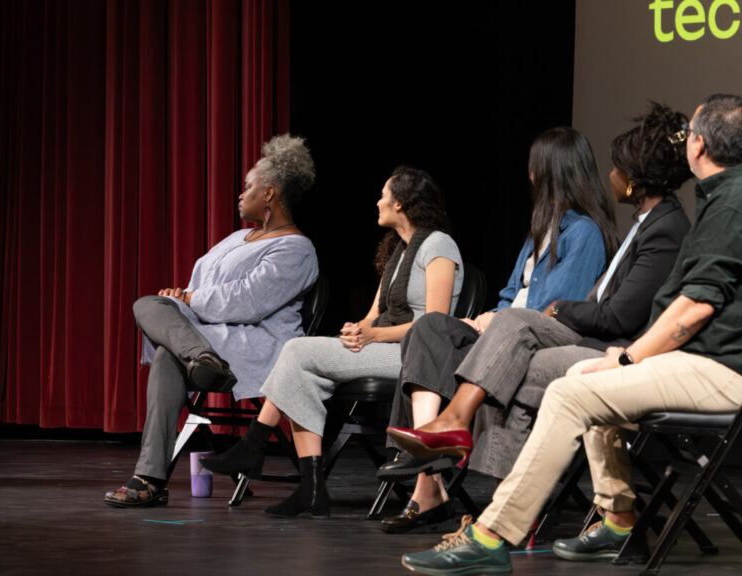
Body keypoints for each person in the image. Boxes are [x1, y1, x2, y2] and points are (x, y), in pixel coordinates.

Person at [400, 93, 742, 575]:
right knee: (586, 377)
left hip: (719, 368)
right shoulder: (720, 200)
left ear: (699, 146)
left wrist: (628, 358)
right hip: (698, 360)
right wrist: (626, 358)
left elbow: (695, 307)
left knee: (571, 391)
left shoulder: (729, 204)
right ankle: (620, 522)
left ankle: (492, 534)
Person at [379, 127, 620, 533]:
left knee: (481, 329)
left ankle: (431, 469)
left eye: (533, 168)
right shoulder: (538, 231)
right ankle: (428, 470)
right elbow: (512, 292)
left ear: (551, 171)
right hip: (504, 329)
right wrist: (484, 317)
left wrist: (499, 320)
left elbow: (560, 307)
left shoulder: (584, 233)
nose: (528, 176)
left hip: (539, 337)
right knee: (430, 328)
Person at [201, 166, 464, 518]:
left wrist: (374, 334)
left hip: (418, 357)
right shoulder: (397, 252)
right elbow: (373, 314)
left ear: (401, 204)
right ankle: (310, 488)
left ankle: (254, 442)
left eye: (384, 195)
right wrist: (359, 328)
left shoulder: (438, 245)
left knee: (296, 350)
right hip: (384, 345)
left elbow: (434, 324)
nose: (378, 201)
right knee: (302, 372)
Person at [103, 134, 320, 507]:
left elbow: (248, 302)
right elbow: (201, 289)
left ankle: (150, 479)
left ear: (269, 194)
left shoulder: (295, 248)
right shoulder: (238, 237)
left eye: (248, 187)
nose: (241, 194)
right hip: (210, 338)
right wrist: (180, 300)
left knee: (169, 352)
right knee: (148, 305)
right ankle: (202, 358)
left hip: (254, 342)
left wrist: (188, 300)